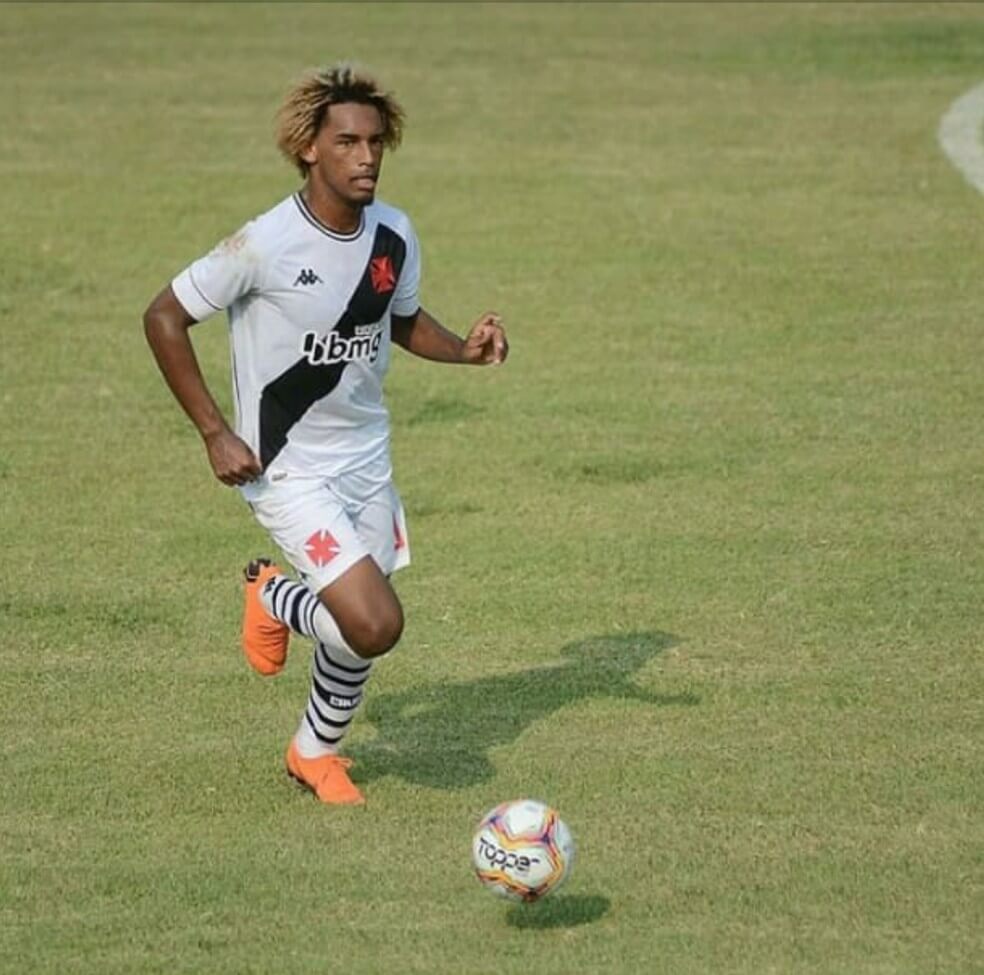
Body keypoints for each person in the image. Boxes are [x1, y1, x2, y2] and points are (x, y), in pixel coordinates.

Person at [143, 64, 509, 805]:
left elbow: (399, 319)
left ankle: (314, 751)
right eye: (347, 142)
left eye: (376, 143)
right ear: (309, 148)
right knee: (373, 621)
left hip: (366, 459)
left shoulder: (394, 235)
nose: (366, 157)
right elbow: (163, 317)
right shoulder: (263, 244)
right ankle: (274, 596)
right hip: (284, 468)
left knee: (355, 627)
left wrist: (463, 349)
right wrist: (214, 431)